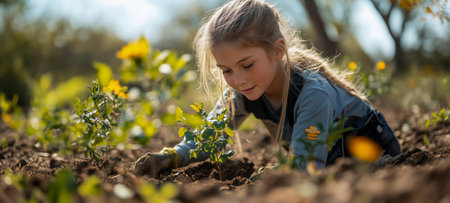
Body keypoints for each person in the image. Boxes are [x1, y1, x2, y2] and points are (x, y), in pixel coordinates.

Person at [133, 0, 401, 177]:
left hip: (378, 165)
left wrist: (273, 175)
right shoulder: (243, 93)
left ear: (277, 50)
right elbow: (208, 138)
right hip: (328, 166)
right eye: (225, 70)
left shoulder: (312, 94)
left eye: (247, 65)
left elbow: (306, 165)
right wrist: (171, 157)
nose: (238, 80)